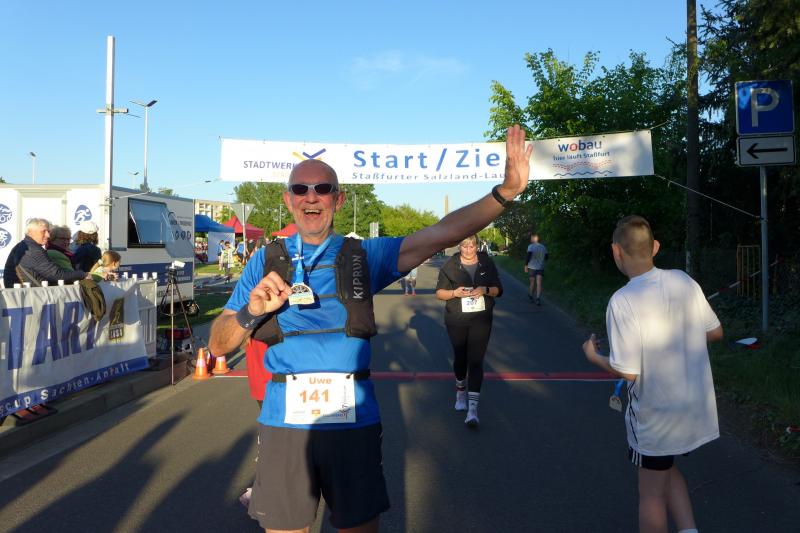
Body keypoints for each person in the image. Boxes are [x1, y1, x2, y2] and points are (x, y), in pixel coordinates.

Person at [582, 215, 724, 533]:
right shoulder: (683, 281)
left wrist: (594, 356)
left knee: (650, 494)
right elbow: (715, 332)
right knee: (665, 468)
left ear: (616, 252)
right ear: (655, 247)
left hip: (656, 415)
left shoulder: (622, 301)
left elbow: (628, 373)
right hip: (695, 407)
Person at [435, 235, 503, 427]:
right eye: (464, 246)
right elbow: (439, 293)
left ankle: (472, 410)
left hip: (481, 319)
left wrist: (484, 290)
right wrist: (454, 293)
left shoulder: (486, 263)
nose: (468, 250)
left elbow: (499, 290)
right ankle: (460, 392)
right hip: (456, 319)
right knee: (460, 358)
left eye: (471, 246)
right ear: (459, 246)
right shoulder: (450, 265)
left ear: (477, 246)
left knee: (475, 361)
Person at [4, 218, 89, 287]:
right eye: (43, 231)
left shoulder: (21, 245)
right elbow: (56, 275)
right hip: (32, 296)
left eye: (48, 231)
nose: (48, 235)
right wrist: (83, 275)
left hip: (22, 294)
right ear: (30, 232)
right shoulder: (33, 250)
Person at [524, 233, 547, 305]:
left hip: (532, 267)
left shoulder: (530, 246)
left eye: (531, 238)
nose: (530, 239)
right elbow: (547, 257)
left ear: (535, 238)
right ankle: (538, 299)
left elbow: (528, 255)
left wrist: (526, 265)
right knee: (539, 283)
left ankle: (531, 295)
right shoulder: (543, 247)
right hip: (540, 267)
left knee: (532, 282)